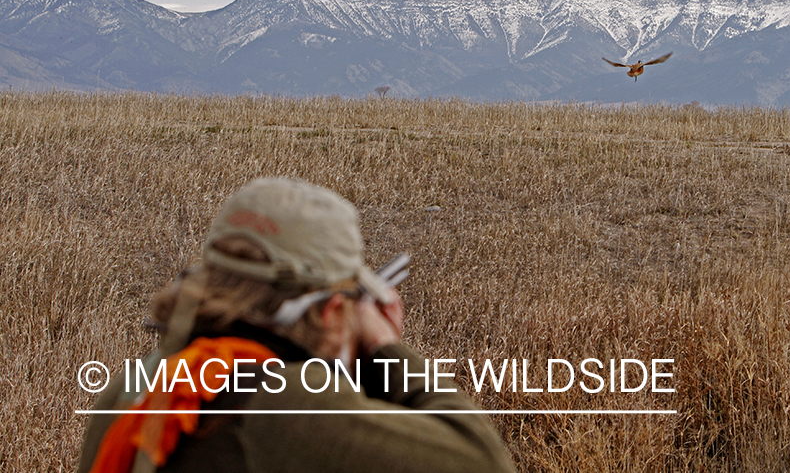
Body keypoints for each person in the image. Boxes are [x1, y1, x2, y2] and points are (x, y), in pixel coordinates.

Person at [77, 177, 515, 473]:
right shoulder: (284, 403)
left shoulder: (141, 383)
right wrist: (383, 348)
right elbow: (483, 460)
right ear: (328, 312)